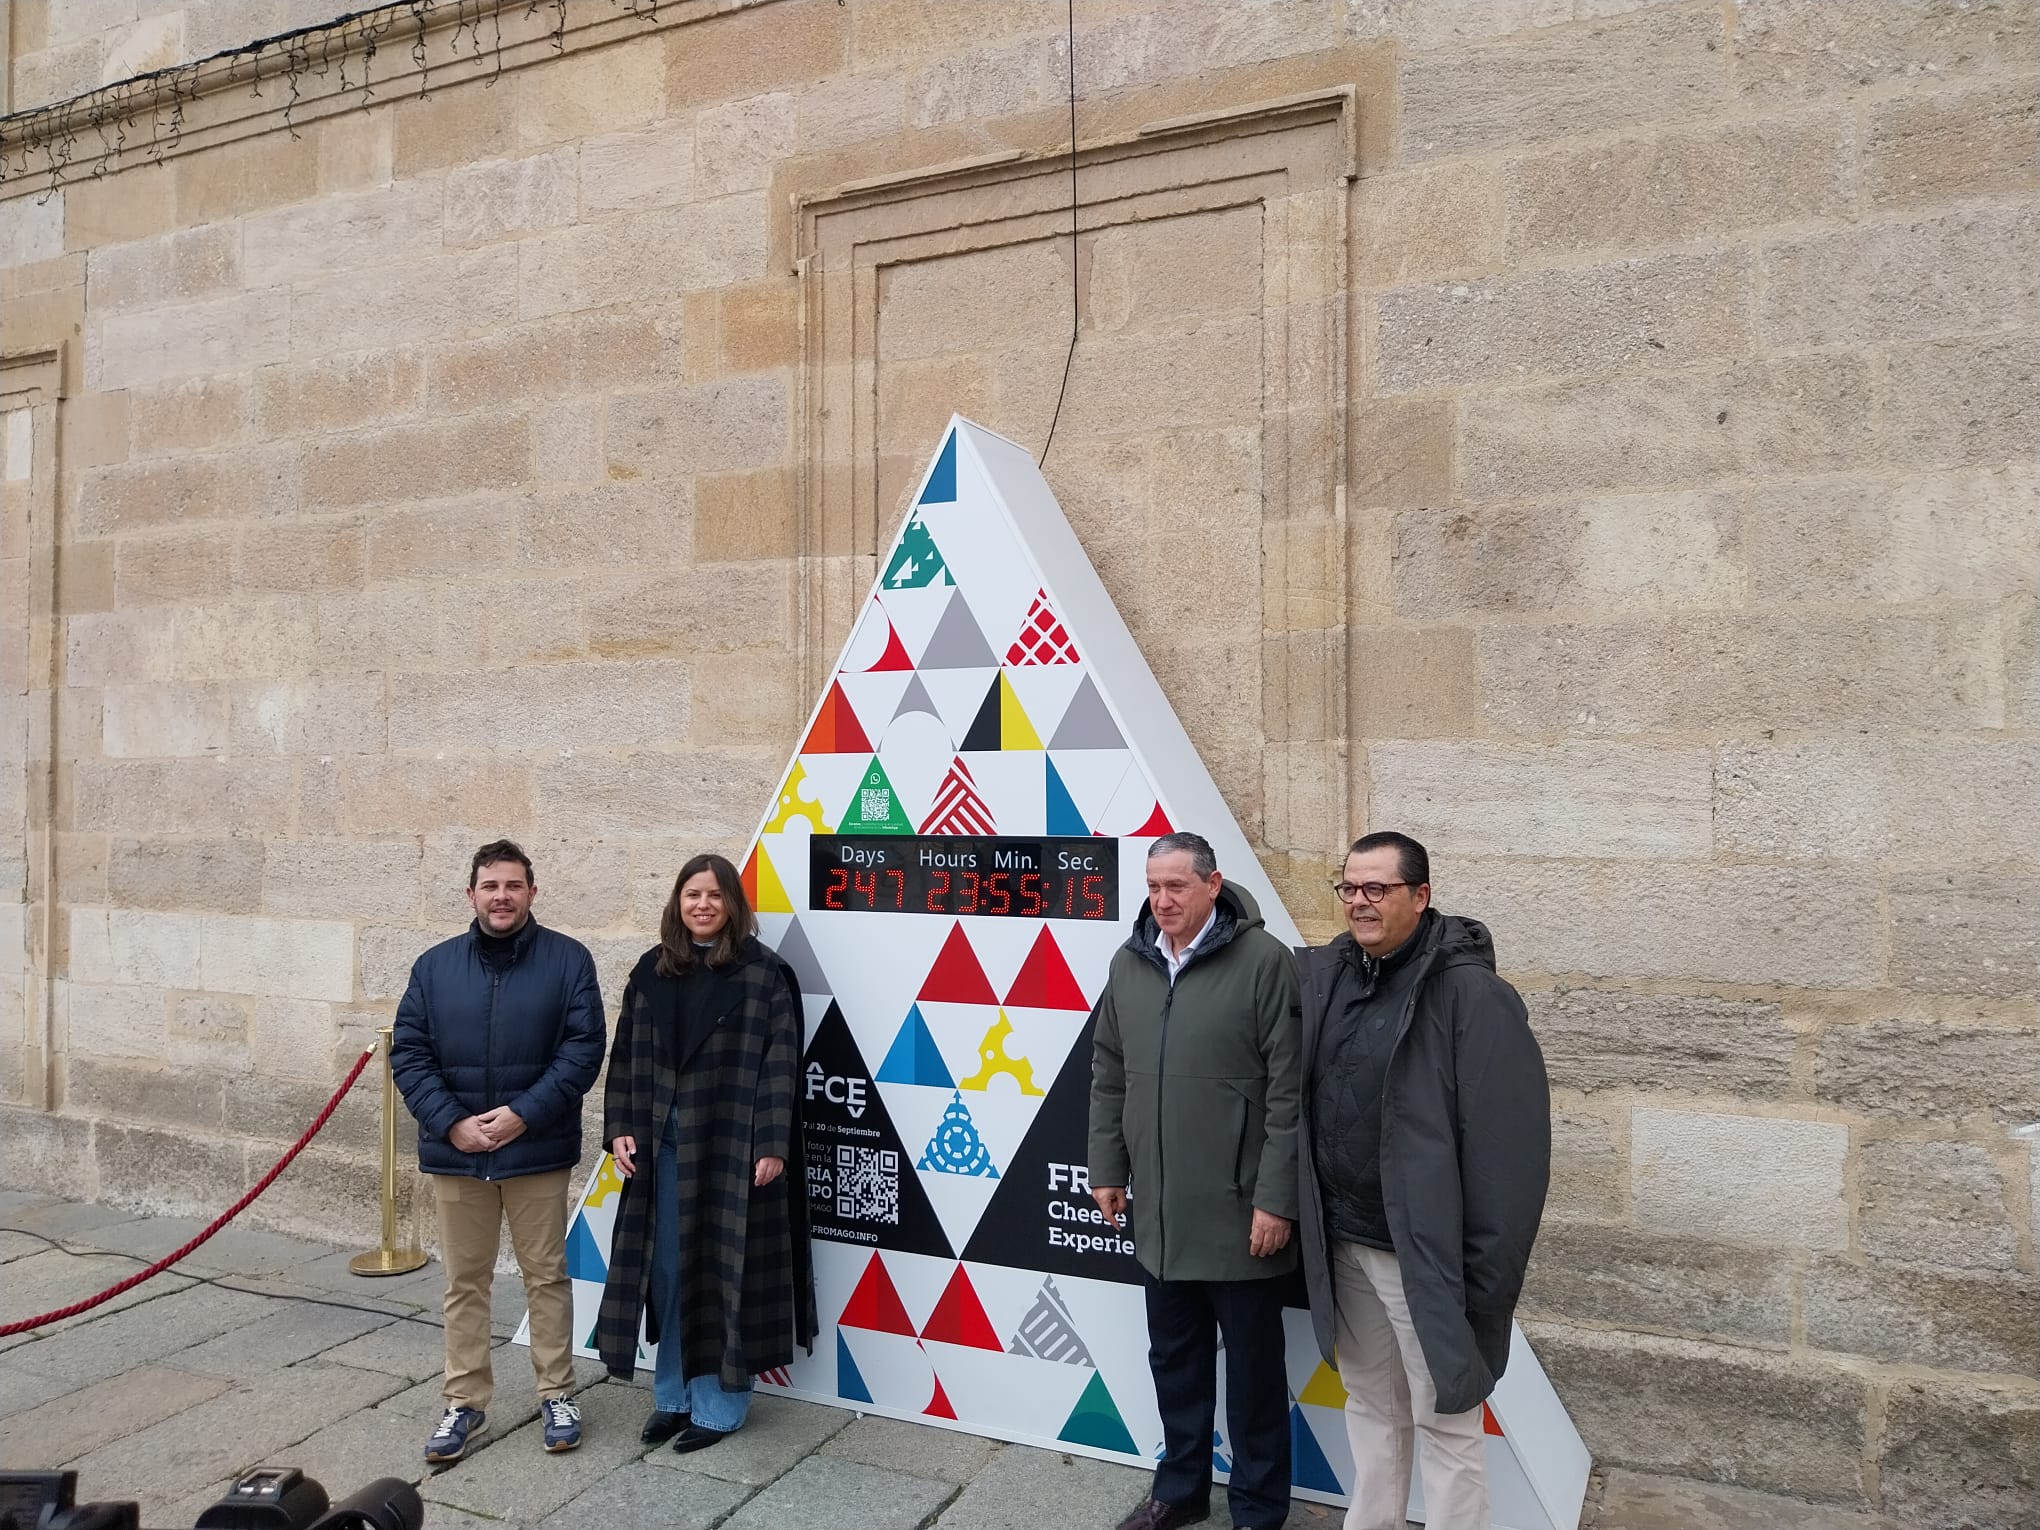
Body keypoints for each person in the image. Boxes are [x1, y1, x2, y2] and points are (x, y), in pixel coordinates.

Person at [1297, 831, 1550, 1530]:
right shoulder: (1330, 976)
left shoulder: (1473, 996)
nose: (1359, 902)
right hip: (1346, 1243)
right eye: (1349, 887)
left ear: (1422, 896)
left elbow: (1510, 1158)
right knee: (1371, 1405)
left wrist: (1483, 1280)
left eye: (1377, 888)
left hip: (1423, 1258)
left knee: (1446, 1419)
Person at [1088, 831, 1303, 1530]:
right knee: (1174, 1363)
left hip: (1242, 1215)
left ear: (1213, 885)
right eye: (1153, 886)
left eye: (1176, 885)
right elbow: (1108, 1075)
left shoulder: (1265, 963)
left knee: (1253, 1377)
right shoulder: (1130, 962)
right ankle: (1179, 1491)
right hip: (1160, 1215)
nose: (1162, 899)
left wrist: (1276, 1198)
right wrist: (1108, 1169)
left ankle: (1258, 1510)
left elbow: (1288, 1092)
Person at [389, 839, 606, 1463]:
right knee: (465, 1282)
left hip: (535, 1151)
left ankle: (557, 1393)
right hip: (458, 1154)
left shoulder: (568, 961)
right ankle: (464, 1402)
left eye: (513, 885)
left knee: (546, 1277)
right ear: (471, 894)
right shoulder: (433, 968)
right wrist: (451, 1122)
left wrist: (522, 1115)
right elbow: (410, 1051)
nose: (501, 896)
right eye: (490, 886)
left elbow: (582, 1049)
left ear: (532, 893)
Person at [594, 852, 816, 1453]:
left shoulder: (764, 974)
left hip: (731, 1149)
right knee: (666, 1274)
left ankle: (721, 1406)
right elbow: (626, 1060)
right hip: (662, 1147)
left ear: (733, 906)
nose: (703, 904)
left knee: (723, 1276)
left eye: (715, 895)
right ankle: (673, 1397)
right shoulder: (649, 972)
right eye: (693, 894)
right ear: (678, 902)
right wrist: (619, 1127)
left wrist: (772, 1143)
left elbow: (779, 1066)